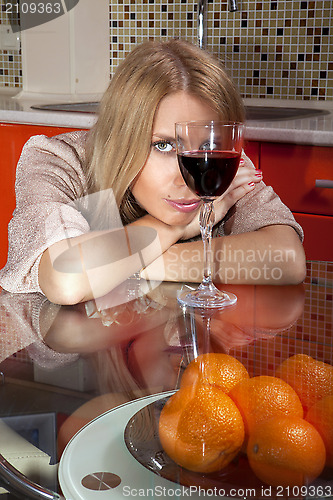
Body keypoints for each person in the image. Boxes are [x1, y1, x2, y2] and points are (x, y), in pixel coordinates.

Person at [0, 39, 306, 305]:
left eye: (207, 145)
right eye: (163, 146)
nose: (190, 178)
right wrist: (182, 227)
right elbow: (66, 280)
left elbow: (288, 261)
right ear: (121, 138)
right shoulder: (59, 160)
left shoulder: (216, 165)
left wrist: (128, 264)